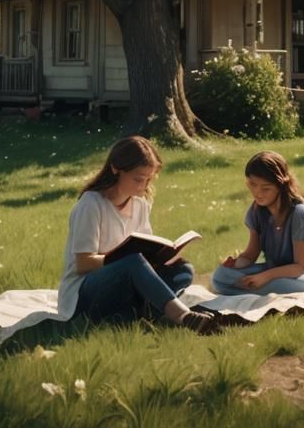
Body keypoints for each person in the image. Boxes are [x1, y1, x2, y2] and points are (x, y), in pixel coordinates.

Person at [57, 135, 219, 334]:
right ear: (116, 169)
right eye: (138, 179)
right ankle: (183, 316)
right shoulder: (91, 205)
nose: (143, 186)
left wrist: (163, 258)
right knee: (132, 262)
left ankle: (133, 313)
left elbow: (145, 249)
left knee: (183, 269)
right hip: (85, 290)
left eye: (149, 179)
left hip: (126, 284)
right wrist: (122, 261)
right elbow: (83, 264)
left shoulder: (140, 204)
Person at [211, 150, 304, 296]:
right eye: (252, 185)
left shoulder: (300, 214)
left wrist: (264, 277)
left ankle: (254, 288)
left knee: (281, 284)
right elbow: (251, 255)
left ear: (281, 185)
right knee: (220, 276)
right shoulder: (257, 211)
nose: (257, 193)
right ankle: (259, 288)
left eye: (266, 188)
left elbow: (299, 268)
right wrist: (236, 264)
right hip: (278, 270)